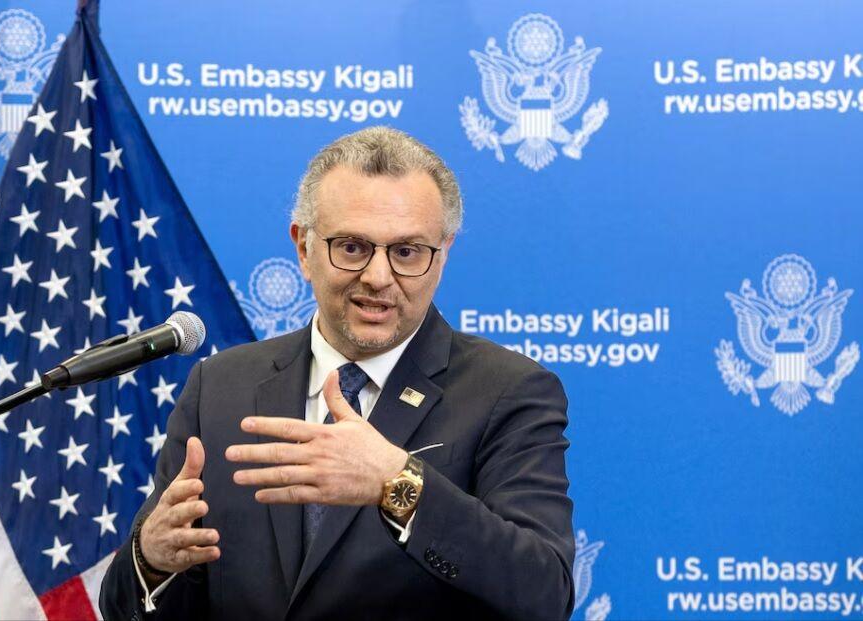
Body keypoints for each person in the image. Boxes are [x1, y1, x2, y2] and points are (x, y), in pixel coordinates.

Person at [100, 127, 575, 620]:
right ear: (304, 248)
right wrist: (150, 560)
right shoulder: (220, 387)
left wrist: (399, 483)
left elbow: (544, 591)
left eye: (407, 252)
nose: (378, 277)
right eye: (352, 247)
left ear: (442, 255)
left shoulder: (508, 392)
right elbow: (124, 606)